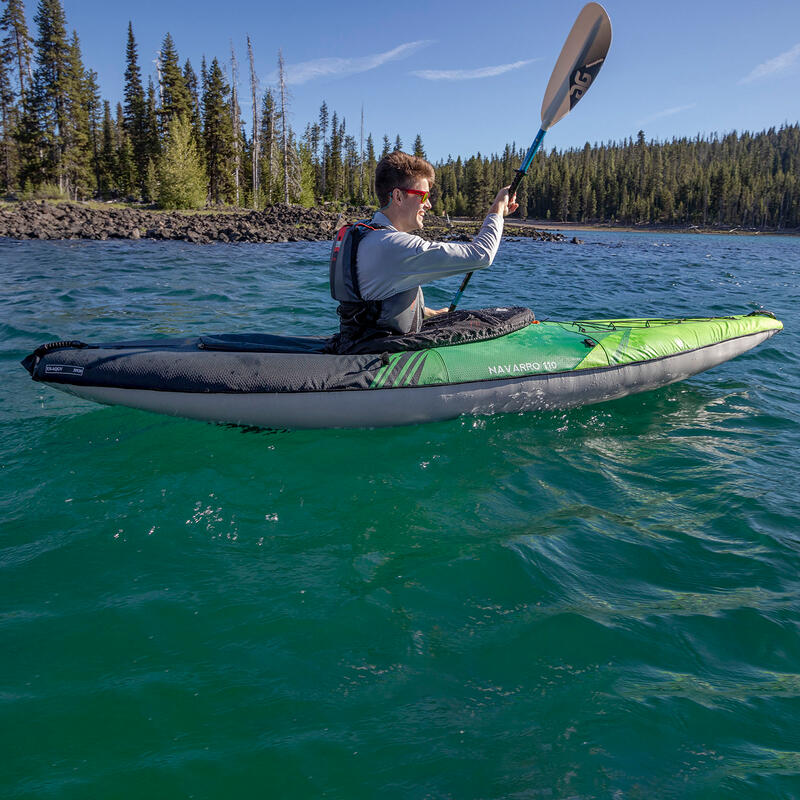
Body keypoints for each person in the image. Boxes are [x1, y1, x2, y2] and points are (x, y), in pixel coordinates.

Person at [328, 150, 518, 353]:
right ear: (398, 196)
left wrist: (428, 313)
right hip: (377, 354)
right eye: (423, 195)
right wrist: (497, 209)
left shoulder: (364, 233)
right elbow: (482, 255)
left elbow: (376, 299)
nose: (428, 204)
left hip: (357, 343)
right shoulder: (394, 246)